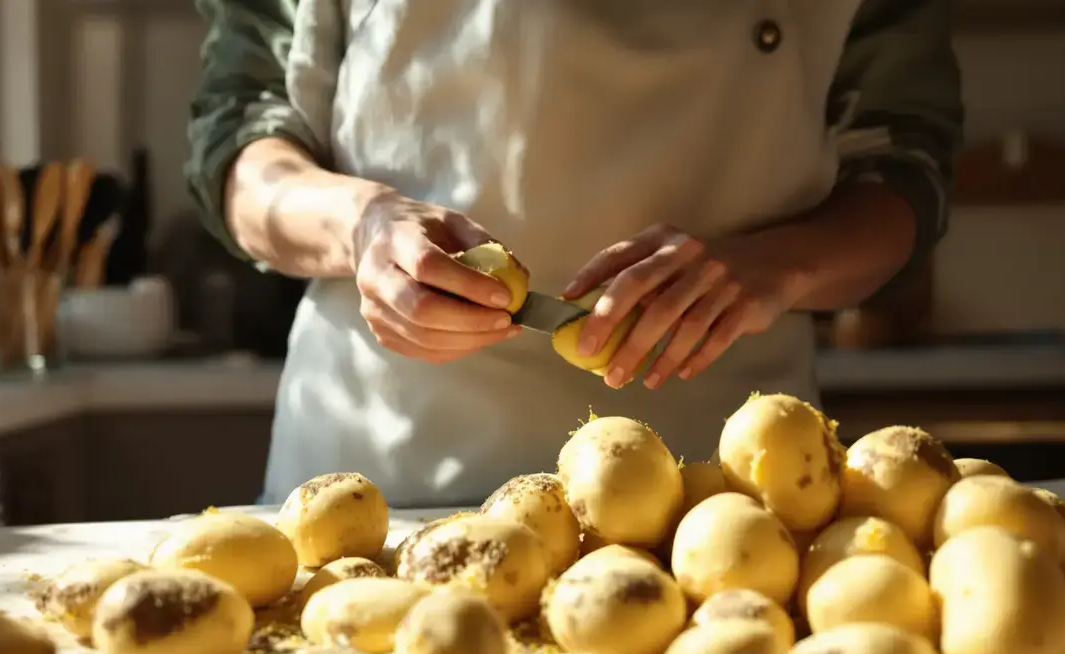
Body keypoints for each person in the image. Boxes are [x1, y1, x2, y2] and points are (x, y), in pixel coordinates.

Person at [187, 0, 963, 508]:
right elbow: (242, 142)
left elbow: (904, 169)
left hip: (730, 497)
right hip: (386, 483)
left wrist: (782, 263)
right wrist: (362, 223)